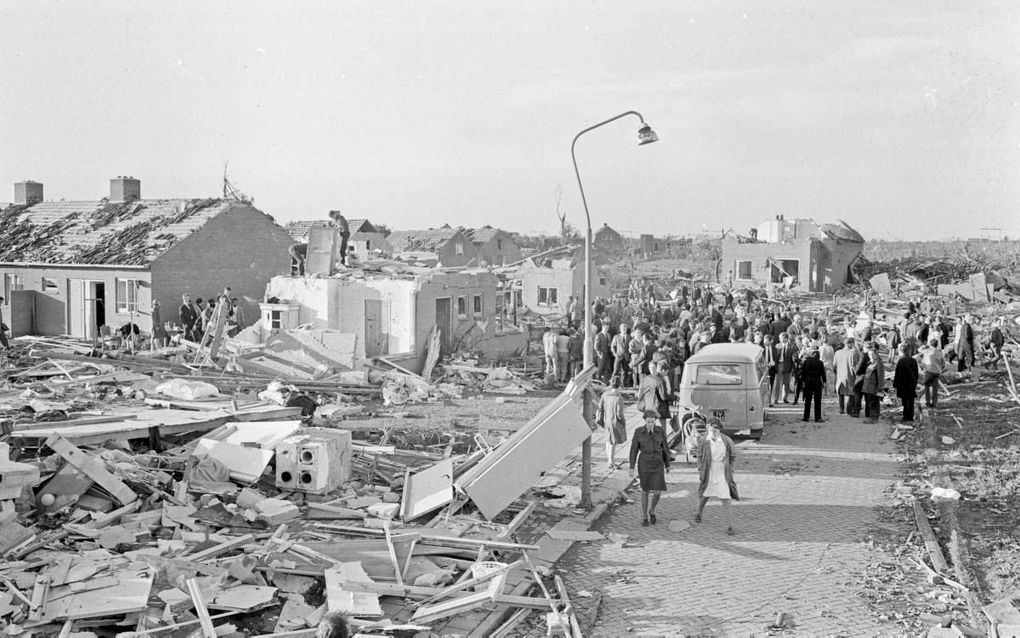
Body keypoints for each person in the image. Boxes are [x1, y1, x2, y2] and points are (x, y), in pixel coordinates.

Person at [695, 418, 739, 535]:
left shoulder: (726, 441)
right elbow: (699, 456)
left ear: (719, 430)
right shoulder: (703, 441)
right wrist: (700, 470)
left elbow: (733, 455)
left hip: (721, 472)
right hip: (708, 471)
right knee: (705, 495)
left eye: (715, 430)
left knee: (725, 497)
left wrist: (730, 467)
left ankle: (730, 526)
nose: (713, 433)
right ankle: (699, 512)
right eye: (710, 430)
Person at [629, 412, 670, 526]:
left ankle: (652, 510)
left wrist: (667, 464)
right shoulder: (638, 432)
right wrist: (631, 467)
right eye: (648, 421)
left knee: (657, 491)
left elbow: (665, 448)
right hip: (644, 464)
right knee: (645, 490)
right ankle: (644, 516)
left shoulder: (660, 431)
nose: (650, 424)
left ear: (655, 421)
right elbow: (634, 450)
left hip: (657, 463)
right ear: (645, 421)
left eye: (652, 421)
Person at [596, 377, 628, 471]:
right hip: (615, 422)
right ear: (620, 385)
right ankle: (612, 462)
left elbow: (600, 407)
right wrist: (623, 423)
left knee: (608, 441)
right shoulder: (619, 398)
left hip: (607, 420)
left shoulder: (605, 395)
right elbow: (619, 414)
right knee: (613, 443)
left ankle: (609, 460)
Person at [637, 360, 674, 431]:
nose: (666, 374)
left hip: (648, 408)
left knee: (650, 429)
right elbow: (664, 397)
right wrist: (674, 397)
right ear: (663, 370)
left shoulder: (646, 378)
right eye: (666, 372)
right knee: (662, 430)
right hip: (659, 409)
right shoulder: (660, 380)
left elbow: (641, 392)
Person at [834, 337, 861, 415]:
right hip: (850, 375)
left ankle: (841, 409)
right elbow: (855, 365)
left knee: (840, 392)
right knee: (851, 393)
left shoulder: (837, 353)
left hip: (840, 375)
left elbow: (834, 365)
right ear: (851, 343)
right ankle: (849, 409)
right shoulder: (853, 353)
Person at [892, 344, 919, 422]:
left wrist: (895, 385)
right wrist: (915, 383)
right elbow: (916, 374)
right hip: (911, 384)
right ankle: (910, 416)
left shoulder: (901, 361)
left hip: (903, 384)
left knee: (905, 401)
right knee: (910, 400)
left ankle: (906, 416)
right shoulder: (913, 361)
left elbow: (897, 374)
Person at [800, 348, 826, 422]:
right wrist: (824, 382)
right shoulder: (820, 363)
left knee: (807, 400)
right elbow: (823, 374)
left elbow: (803, 373)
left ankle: (806, 417)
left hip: (808, 381)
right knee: (817, 400)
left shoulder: (806, 362)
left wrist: (802, 382)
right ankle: (817, 417)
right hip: (817, 381)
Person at [861, 342, 885, 423]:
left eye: (871, 355)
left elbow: (881, 375)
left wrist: (880, 387)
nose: (870, 356)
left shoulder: (878, 363)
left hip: (873, 387)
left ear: (875, 355)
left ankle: (874, 418)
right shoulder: (871, 363)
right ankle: (872, 417)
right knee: (870, 402)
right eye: (869, 355)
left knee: (874, 403)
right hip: (868, 387)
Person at [920, 338, 945, 408]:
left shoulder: (927, 351)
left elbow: (920, 351)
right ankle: (934, 403)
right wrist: (940, 369)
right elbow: (943, 364)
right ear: (937, 345)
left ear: (930, 344)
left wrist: (926, 346)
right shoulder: (940, 352)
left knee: (927, 386)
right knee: (935, 388)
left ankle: (928, 402)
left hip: (929, 371)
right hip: (937, 372)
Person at [775, 332, 797, 404]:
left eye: (781, 338)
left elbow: (794, 358)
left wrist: (793, 368)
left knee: (786, 383)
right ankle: (776, 399)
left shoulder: (792, 347)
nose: (780, 339)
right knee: (778, 383)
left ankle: (785, 398)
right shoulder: (777, 346)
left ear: (785, 338)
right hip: (779, 364)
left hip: (788, 366)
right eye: (779, 338)